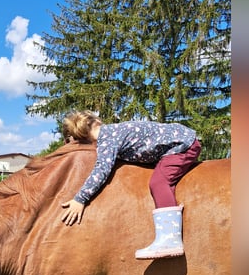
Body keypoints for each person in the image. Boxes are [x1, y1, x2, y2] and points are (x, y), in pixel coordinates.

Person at [59, 111, 201, 259]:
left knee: (159, 183)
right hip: (180, 139)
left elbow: (102, 170)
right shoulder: (113, 131)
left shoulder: (107, 139)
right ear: (95, 121)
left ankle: (170, 239)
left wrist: (80, 199)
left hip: (182, 146)